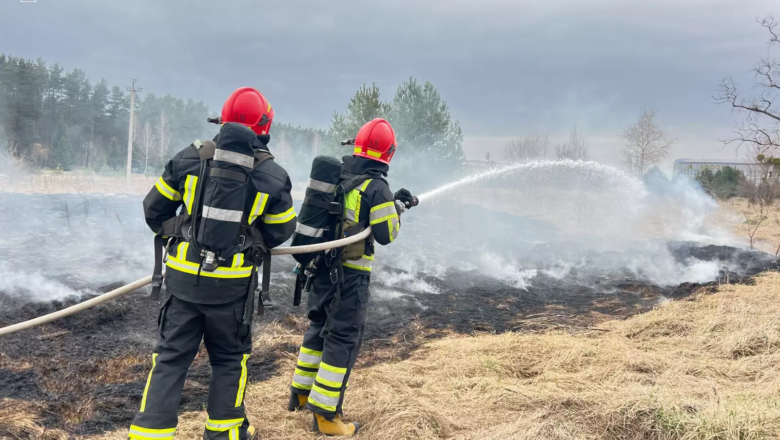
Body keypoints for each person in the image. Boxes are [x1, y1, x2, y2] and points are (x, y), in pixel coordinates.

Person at [129, 87, 296, 440]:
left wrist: (183, 233)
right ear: (265, 127)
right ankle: (224, 434)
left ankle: (148, 435)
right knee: (230, 362)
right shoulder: (273, 175)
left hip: (182, 283)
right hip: (232, 290)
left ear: (221, 120)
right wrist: (246, 240)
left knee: (170, 359)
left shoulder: (189, 158)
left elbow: (153, 210)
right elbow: (281, 230)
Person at [287, 118, 416, 436]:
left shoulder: (339, 177)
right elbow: (386, 234)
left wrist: (391, 204)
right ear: (388, 154)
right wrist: (395, 208)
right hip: (350, 278)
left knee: (318, 330)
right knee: (343, 340)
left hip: (320, 272)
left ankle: (301, 394)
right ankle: (327, 416)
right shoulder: (376, 187)